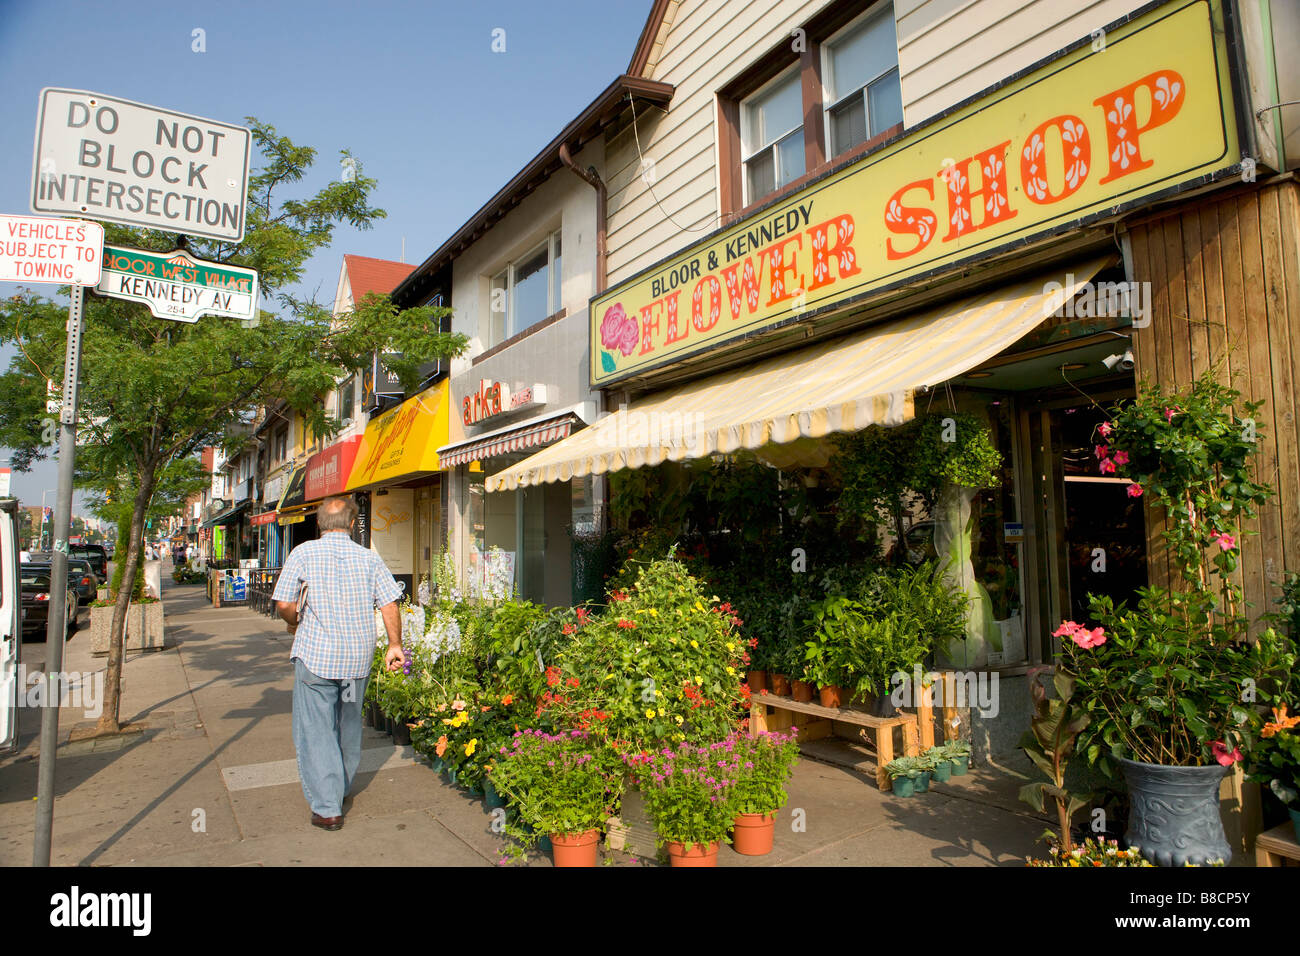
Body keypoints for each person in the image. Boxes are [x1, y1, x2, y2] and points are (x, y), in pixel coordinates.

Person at [273, 495, 403, 831]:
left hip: (316, 659)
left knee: (316, 730)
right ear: (350, 524)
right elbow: (389, 604)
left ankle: (328, 807)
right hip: (355, 661)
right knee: (347, 726)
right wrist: (395, 644)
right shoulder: (369, 559)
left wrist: (293, 619)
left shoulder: (303, 553)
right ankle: (339, 788)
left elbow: (284, 604)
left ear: (318, 523)